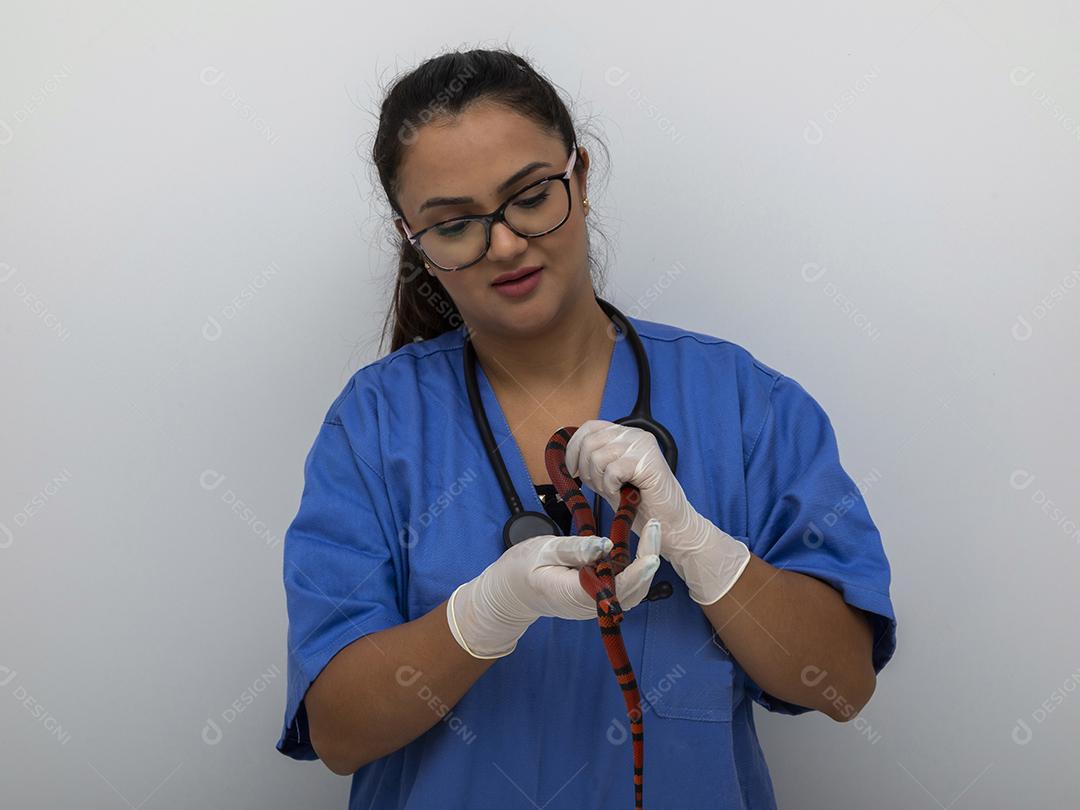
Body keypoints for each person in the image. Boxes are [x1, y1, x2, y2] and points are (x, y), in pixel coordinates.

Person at [275, 47, 897, 809]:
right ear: (416, 244)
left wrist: (705, 548)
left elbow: (839, 685)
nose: (503, 243)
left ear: (582, 179)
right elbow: (339, 732)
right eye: (456, 224)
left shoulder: (744, 404)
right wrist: (482, 615)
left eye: (531, 196)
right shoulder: (373, 427)